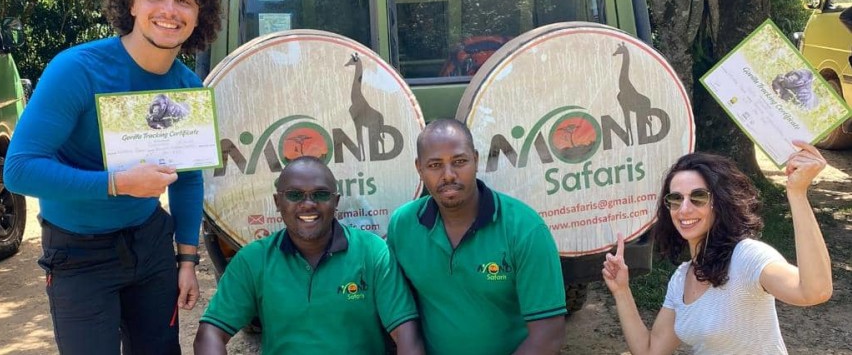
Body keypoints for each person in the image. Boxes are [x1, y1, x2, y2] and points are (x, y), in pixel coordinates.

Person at [4, 0, 222, 354]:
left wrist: (187, 260)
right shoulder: (77, 69)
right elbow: (19, 169)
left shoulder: (188, 89)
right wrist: (117, 183)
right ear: (132, 3)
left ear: (199, 15)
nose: (169, 10)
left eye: (184, 1)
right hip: (78, 253)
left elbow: (188, 179)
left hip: (151, 246)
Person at [602, 142, 833, 355]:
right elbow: (650, 351)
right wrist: (622, 291)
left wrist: (797, 193)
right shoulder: (681, 279)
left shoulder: (747, 256)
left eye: (698, 197)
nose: (684, 209)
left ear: (720, 202)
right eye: (675, 198)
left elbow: (814, 291)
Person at [194, 156, 424, 355]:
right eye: (294, 195)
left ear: (336, 201)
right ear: (277, 202)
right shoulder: (254, 260)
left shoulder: (371, 252)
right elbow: (211, 333)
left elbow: (406, 333)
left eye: (320, 195)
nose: (308, 204)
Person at [387, 118, 567, 355]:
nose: (448, 175)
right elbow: (401, 316)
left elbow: (548, 336)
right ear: (419, 168)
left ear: (476, 160)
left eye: (459, 161)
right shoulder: (403, 226)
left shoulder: (524, 228)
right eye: (435, 165)